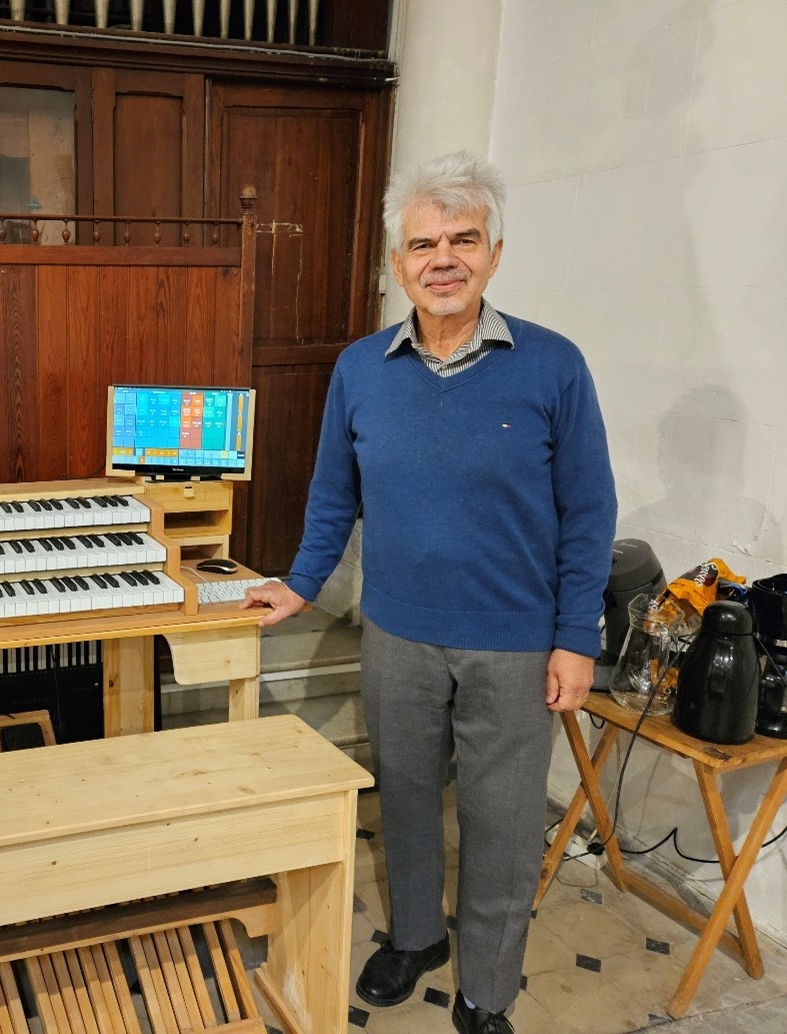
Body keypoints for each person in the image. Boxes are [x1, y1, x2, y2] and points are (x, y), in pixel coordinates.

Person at [241, 150, 616, 1034]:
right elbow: (334, 492)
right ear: (396, 263)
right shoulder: (360, 369)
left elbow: (588, 510)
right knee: (402, 792)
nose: (441, 258)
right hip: (398, 632)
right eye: (422, 244)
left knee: (500, 818)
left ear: (493, 252)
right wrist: (298, 584)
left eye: (462, 239)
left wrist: (576, 637)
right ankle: (414, 937)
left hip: (515, 641)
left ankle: (487, 988)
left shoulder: (553, 367)